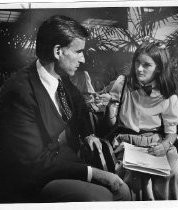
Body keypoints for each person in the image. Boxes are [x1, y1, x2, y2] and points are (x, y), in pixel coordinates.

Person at [0, 15, 131, 202]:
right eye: (78, 51)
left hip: (61, 160)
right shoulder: (18, 93)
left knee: (122, 188)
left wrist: (88, 134)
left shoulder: (60, 77)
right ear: (58, 51)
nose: (83, 58)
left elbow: (78, 103)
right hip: (30, 180)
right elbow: (33, 165)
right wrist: (94, 173)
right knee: (106, 196)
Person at [106, 37, 178, 200]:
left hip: (156, 142)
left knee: (176, 173)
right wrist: (110, 107)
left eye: (146, 65)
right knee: (135, 177)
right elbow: (110, 123)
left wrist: (164, 146)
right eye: (137, 63)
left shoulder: (167, 95)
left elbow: (171, 133)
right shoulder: (123, 83)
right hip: (126, 141)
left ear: (158, 69)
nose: (139, 69)